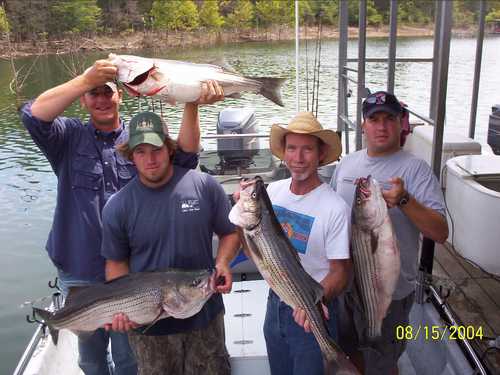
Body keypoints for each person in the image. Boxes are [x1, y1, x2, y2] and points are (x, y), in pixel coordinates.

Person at [19, 58, 224, 375]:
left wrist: (192, 102)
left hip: (133, 272)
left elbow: (185, 155)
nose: (101, 99)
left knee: (130, 358)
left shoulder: (136, 142)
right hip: (80, 267)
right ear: (85, 98)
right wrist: (84, 80)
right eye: (94, 93)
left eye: (107, 92)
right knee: (90, 358)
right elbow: (34, 116)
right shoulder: (67, 137)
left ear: (121, 96)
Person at [100, 111, 241, 375]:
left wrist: (223, 263)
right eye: (140, 151)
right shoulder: (118, 206)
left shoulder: (204, 186)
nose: (150, 159)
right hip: (150, 329)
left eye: (156, 149)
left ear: (169, 148)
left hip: (205, 317)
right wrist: (120, 308)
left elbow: (230, 233)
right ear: (130, 155)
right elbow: (116, 264)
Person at [330, 91, 449, 375]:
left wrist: (406, 200)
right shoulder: (347, 164)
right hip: (346, 285)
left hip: (391, 292)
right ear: (363, 125)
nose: (381, 127)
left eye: (389, 119)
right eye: (374, 119)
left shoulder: (416, 170)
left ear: (401, 124)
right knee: (349, 352)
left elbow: (440, 232)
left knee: (383, 363)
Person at [259, 112, 352, 375]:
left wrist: (314, 300)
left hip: (314, 313)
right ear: (284, 152)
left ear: (321, 154)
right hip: (274, 304)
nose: (298, 158)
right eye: (292, 148)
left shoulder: (335, 208)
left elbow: (340, 272)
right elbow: (257, 251)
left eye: (307, 150)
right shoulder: (272, 194)